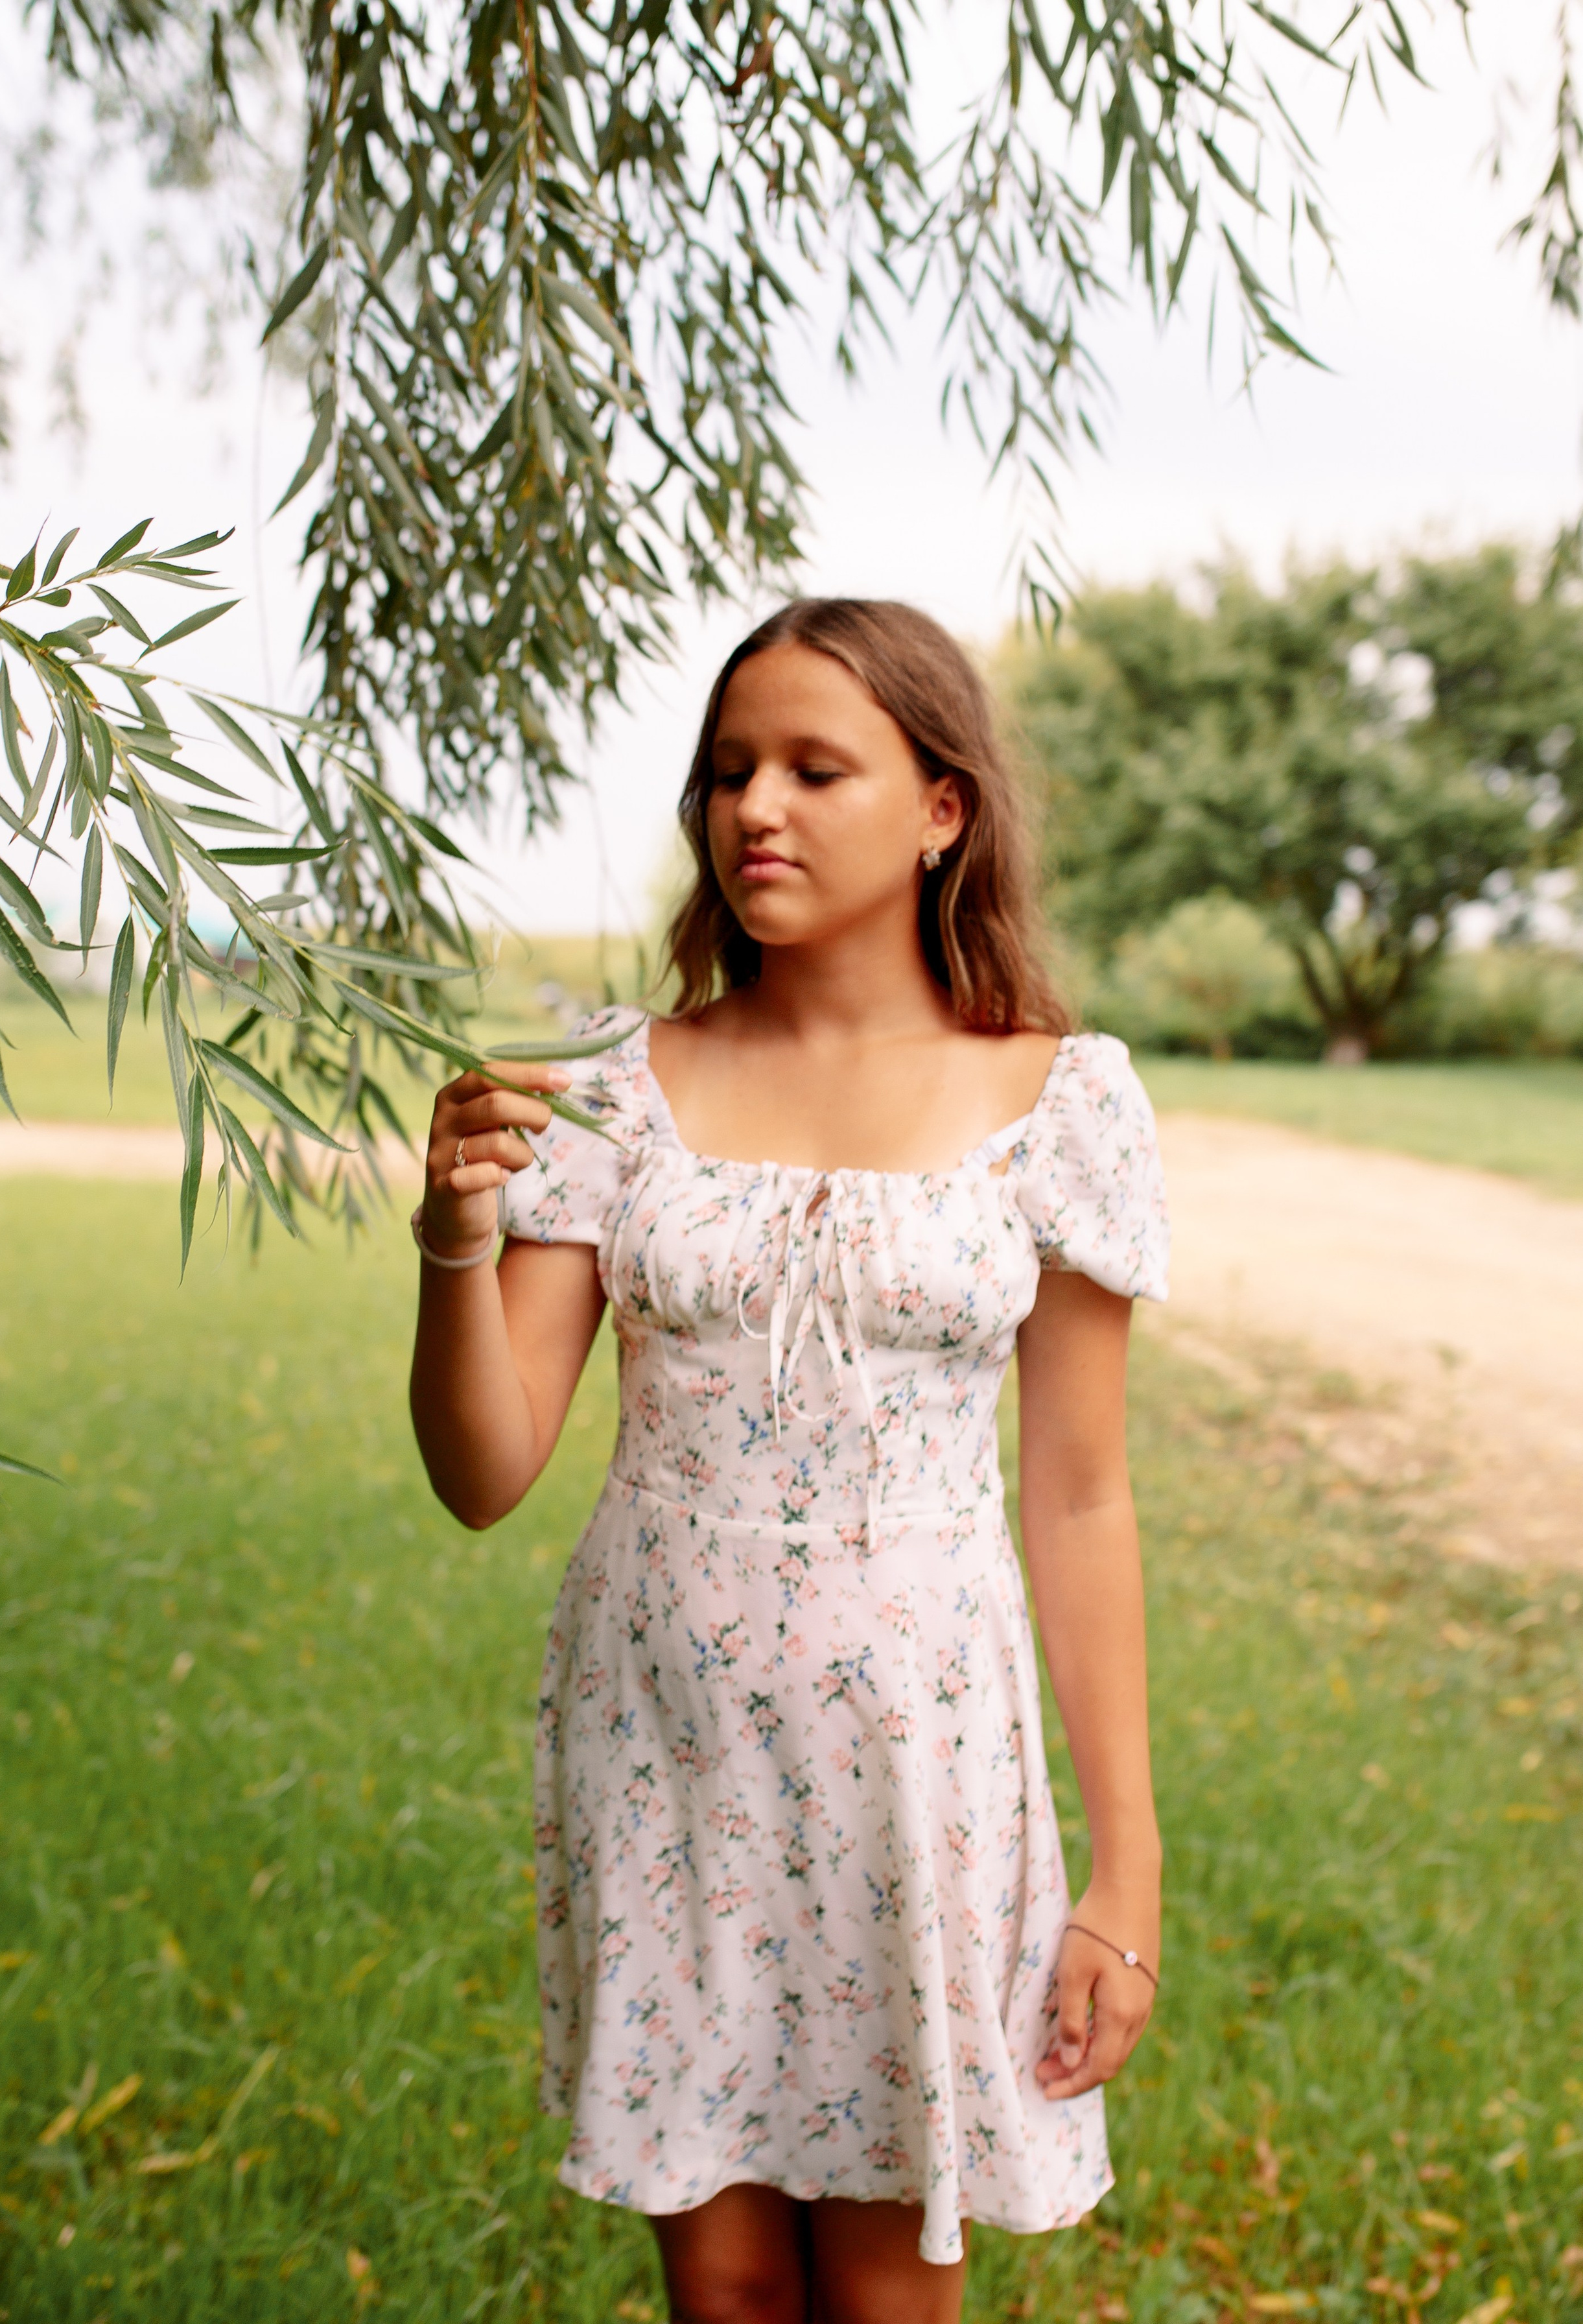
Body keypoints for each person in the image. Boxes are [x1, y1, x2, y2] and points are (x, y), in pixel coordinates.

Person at [408, 600, 1169, 2324]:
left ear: (940, 810)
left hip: (925, 1757)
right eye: (730, 770)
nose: (757, 806)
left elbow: (1080, 1495)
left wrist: (1123, 1874)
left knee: (892, 2289)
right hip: (676, 1751)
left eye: (819, 768)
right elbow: (485, 1469)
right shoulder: (621, 1090)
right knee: (729, 2286)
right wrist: (455, 1243)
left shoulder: (1060, 1101)